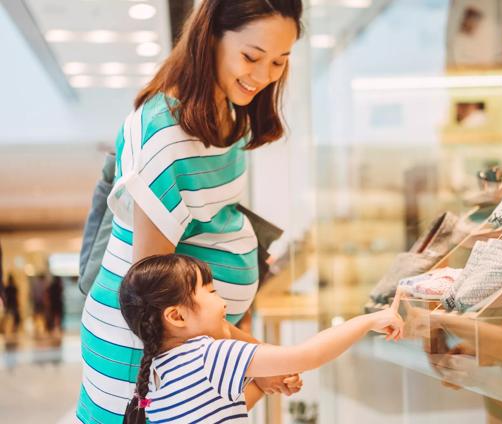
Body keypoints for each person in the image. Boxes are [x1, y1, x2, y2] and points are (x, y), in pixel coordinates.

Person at [77, 1, 306, 421]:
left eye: (279, 62)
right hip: (138, 352)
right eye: (251, 57)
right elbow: (153, 289)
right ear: (211, 36)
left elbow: (215, 223)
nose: (262, 76)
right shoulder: (164, 132)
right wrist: (254, 356)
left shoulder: (229, 113)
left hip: (195, 341)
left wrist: (246, 346)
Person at [118, 254, 404, 424]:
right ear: (177, 317)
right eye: (211, 292)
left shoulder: (158, 371)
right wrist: (367, 321)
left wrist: (266, 383)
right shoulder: (209, 355)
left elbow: (218, 410)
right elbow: (308, 355)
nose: (224, 304)